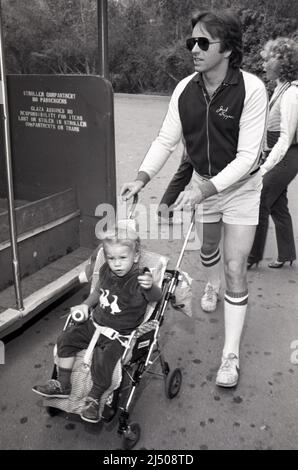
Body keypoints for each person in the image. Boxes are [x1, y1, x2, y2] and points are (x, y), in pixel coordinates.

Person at [121, 9, 268, 388]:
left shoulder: (251, 89)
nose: (195, 49)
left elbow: (248, 157)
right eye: (192, 42)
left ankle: (229, 354)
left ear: (229, 49)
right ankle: (212, 281)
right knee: (208, 256)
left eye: (204, 42)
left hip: (240, 190)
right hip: (202, 185)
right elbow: (166, 140)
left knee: (235, 267)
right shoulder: (185, 88)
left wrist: (204, 189)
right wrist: (141, 178)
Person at [32, 226, 162, 423]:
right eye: (111, 258)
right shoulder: (106, 271)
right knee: (65, 339)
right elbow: (99, 291)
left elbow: (156, 297)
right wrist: (85, 305)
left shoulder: (140, 279)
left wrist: (150, 286)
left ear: (135, 257)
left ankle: (94, 398)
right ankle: (63, 384)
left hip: (119, 334)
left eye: (122, 258)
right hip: (95, 323)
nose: (116, 264)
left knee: (103, 360)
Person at [247, 37, 298, 269]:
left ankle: (252, 256)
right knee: (278, 204)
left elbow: (286, 138)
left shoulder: (292, 93)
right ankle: (287, 254)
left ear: (282, 62)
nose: (264, 64)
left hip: (287, 155)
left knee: (260, 199)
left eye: (268, 60)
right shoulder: (281, 87)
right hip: (279, 153)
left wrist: (265, 167)